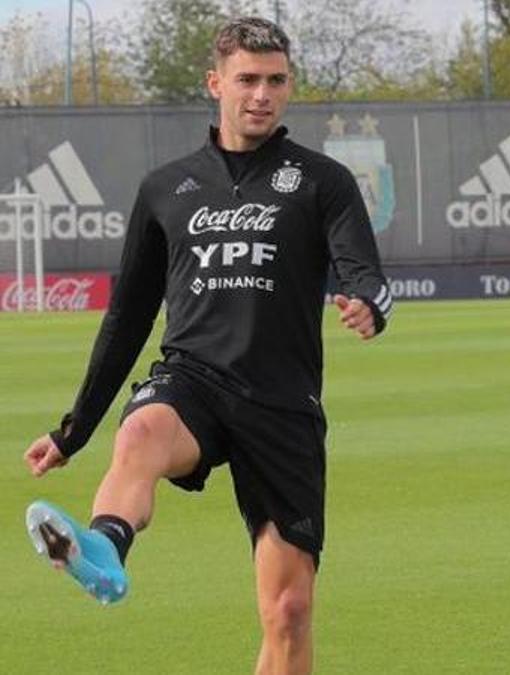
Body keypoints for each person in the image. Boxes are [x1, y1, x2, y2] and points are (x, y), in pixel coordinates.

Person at [22, 16, 391, 674]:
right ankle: (105, 548)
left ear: (289, 87)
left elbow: (362, 265)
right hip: (193, 380)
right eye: (247, 79)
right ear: (214, 82)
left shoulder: (321, 180)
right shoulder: (166, 188)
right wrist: (73, 430)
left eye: (276, 81)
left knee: (288, 612)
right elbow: (127, 318)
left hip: (282, 401)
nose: (261, 94)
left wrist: (367, 301)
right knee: (140, 434)